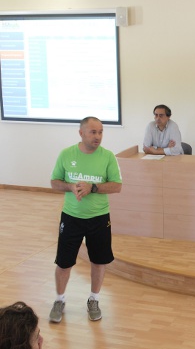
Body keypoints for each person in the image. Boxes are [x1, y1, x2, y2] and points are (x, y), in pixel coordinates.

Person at [49, 116, 122, 323]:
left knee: (98, 261)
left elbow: (117, 186)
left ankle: (94, 299)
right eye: (93, 132)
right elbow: (55, 182)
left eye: (100, 132)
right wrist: (70, 186)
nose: (97, 136)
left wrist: (94, 188)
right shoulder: (66, 154)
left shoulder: (107, 157)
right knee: (63, 263)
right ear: (81, 133)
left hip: (99, 218)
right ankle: (60, 300)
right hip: (71, 217)